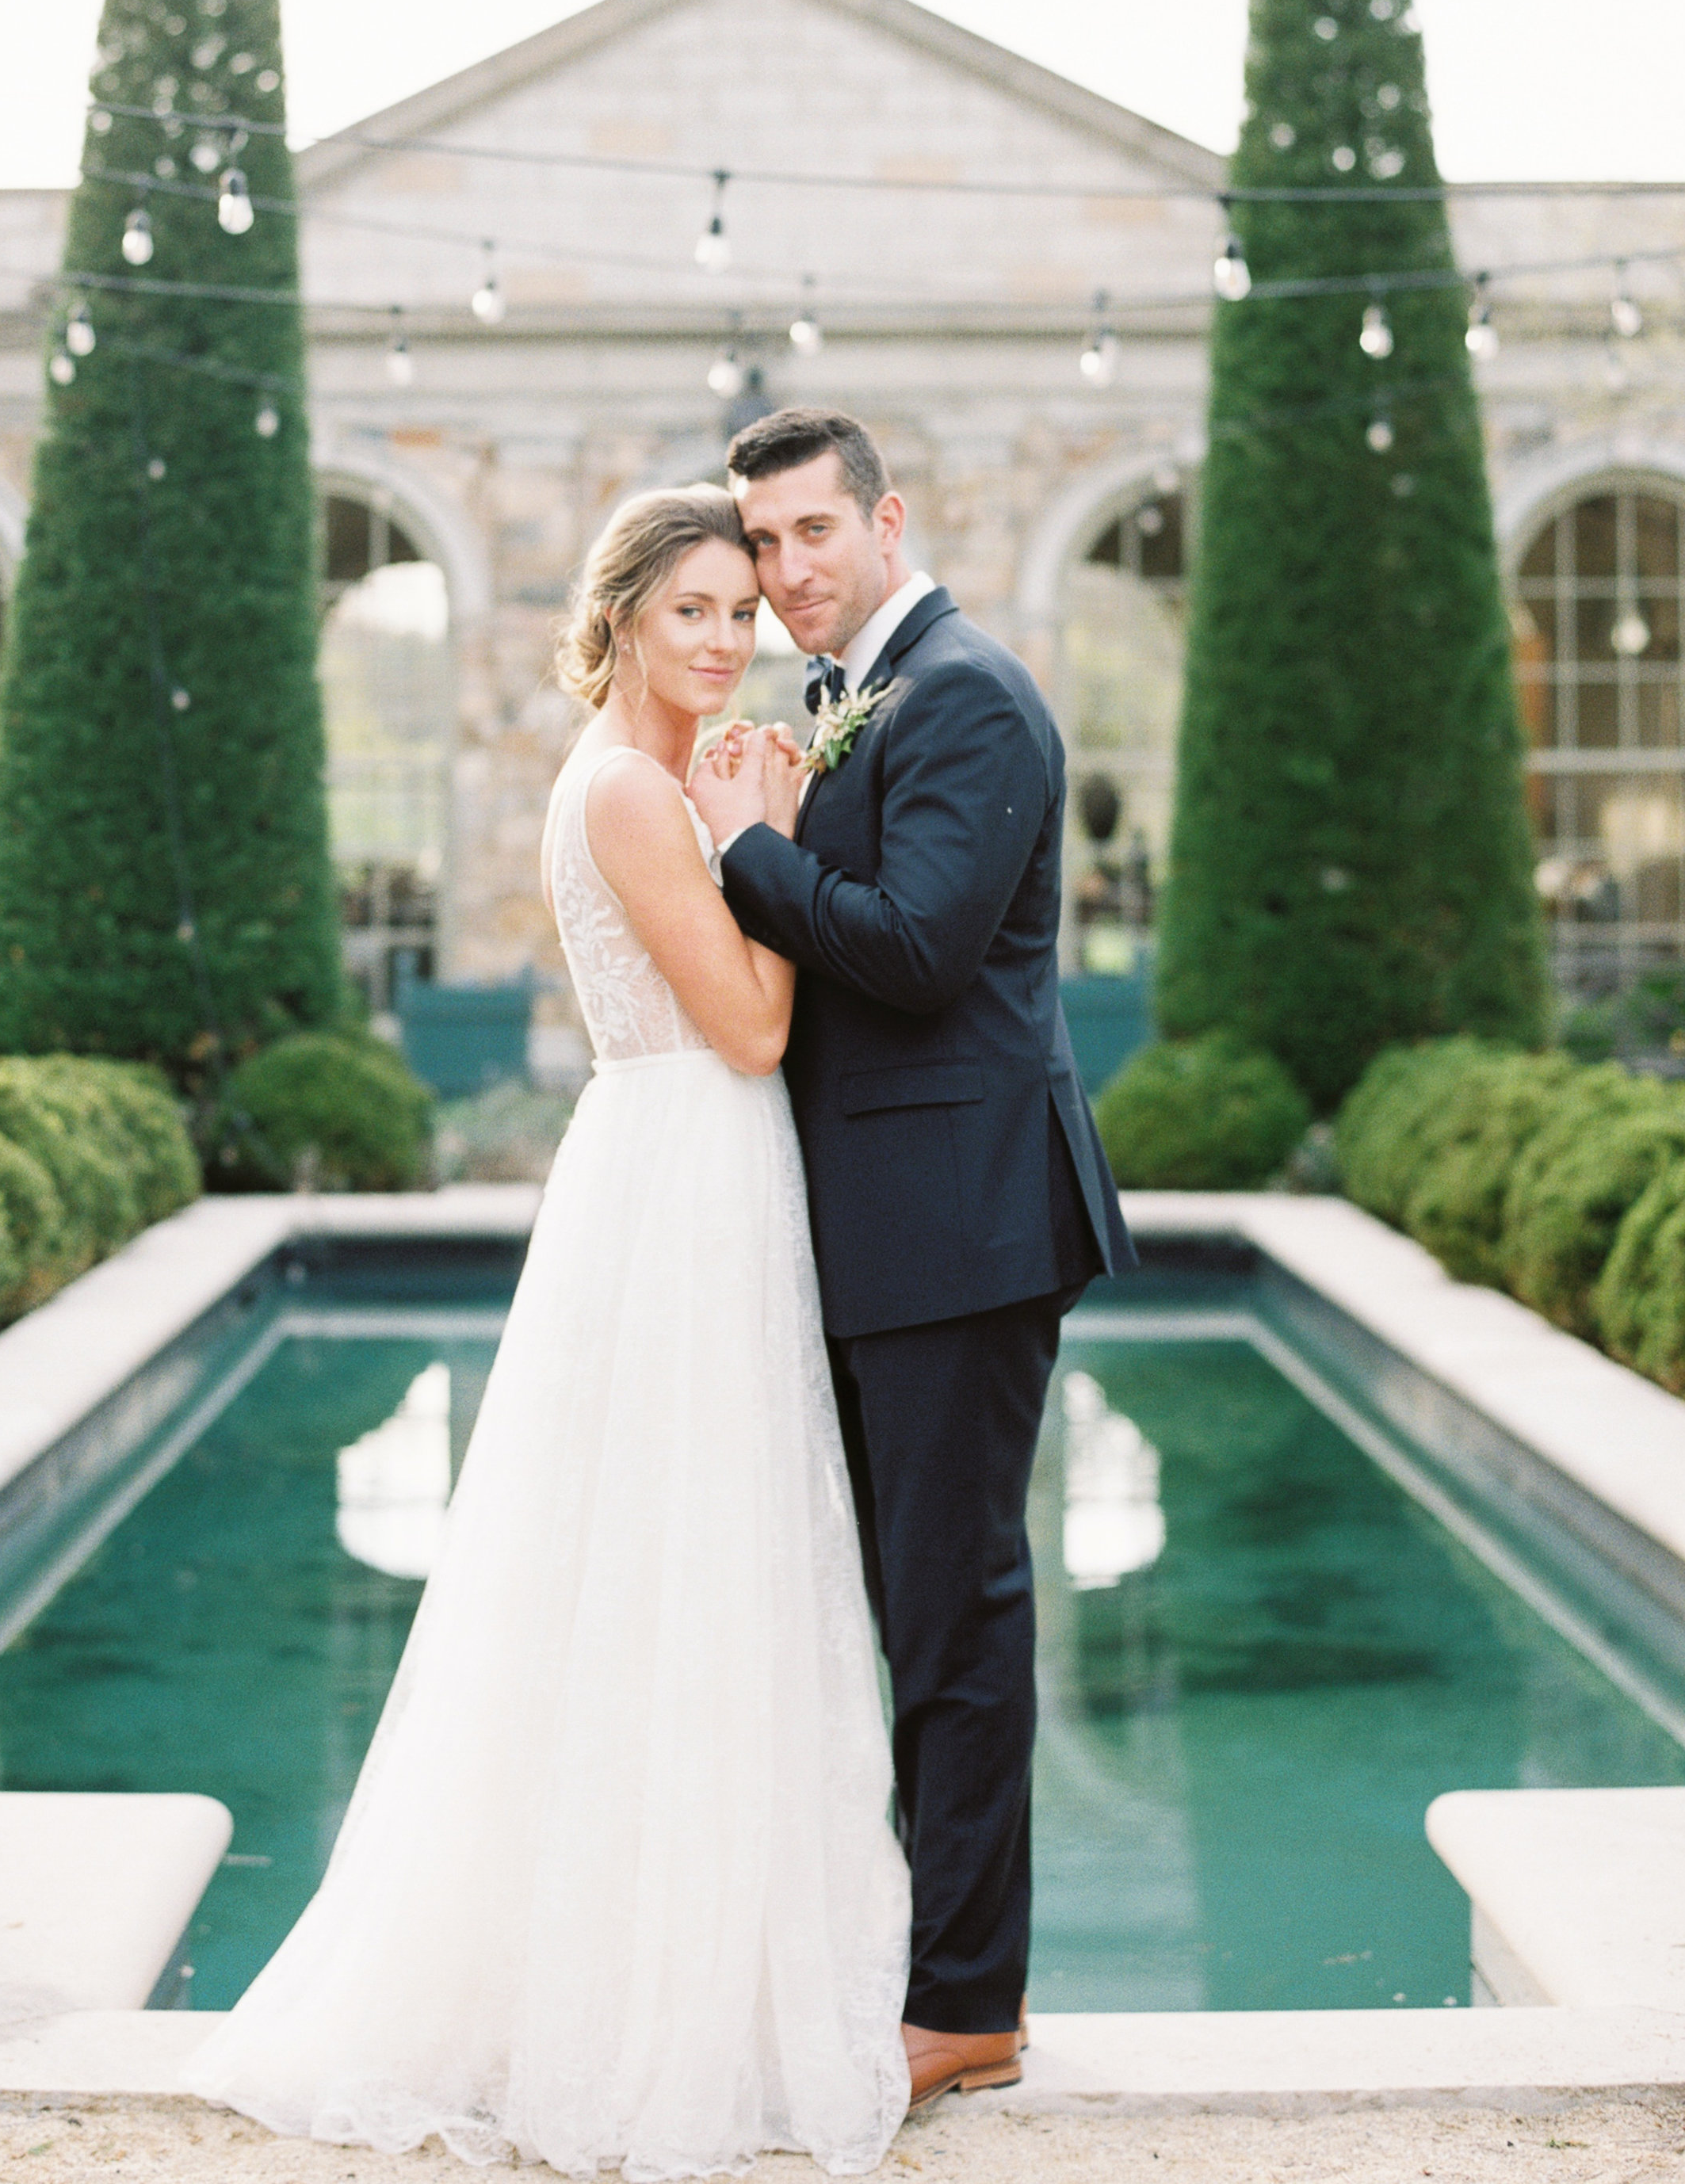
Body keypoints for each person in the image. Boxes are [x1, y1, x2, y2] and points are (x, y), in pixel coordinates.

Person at [188, 484, 911, 2177]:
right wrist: (771, 843)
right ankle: (642, 2019)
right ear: (621, 621)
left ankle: (671, 1980)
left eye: (739, 613)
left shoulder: (648, 775)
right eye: (690, 613)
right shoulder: (639, 796)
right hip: (687, 1173)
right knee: (683, 1570)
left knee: (660, 1570)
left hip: (678, 1172)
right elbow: (749, 1030)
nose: (725, 642)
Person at [689, 407, 1134, 2112]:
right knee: (899, 1610)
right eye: (763, 541)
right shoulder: (848, 696)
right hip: (888, 1227)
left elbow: (921, 950)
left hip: (959, 1230)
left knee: (954, 1622)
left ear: (886, 522)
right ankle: (910, 1961)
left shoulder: (964, 695)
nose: (786, 569)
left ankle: (965, 2004)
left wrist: (748, 855)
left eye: (813, 531)